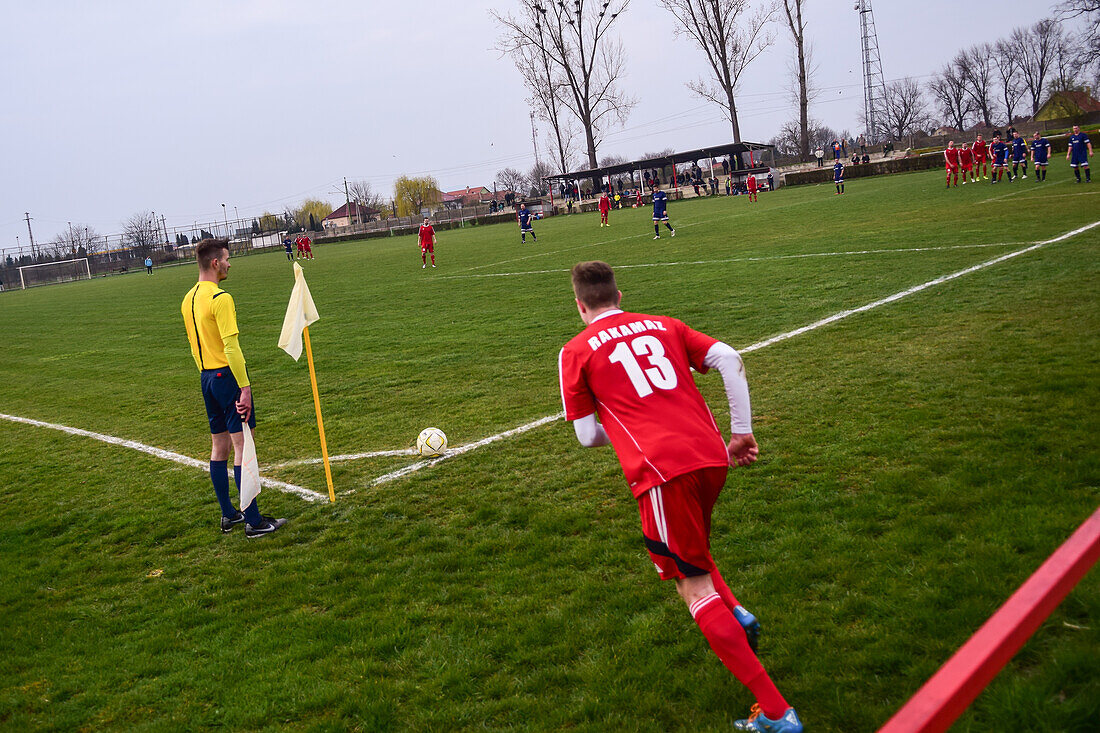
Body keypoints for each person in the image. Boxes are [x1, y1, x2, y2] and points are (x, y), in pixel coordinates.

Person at [558, 261, 803, 733]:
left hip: (662, 472)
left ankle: (776, 713)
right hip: (711, 456)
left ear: (579, 305)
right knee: (693, 551)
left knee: (690, 585)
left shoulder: (575, 350)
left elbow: (587, 436)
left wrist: (638, 430)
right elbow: (729, 359)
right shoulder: (666, 325)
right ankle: (736, 612)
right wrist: (741, 434)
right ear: (619, 294)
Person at [181, 239, 286, 538]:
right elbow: (231, 346)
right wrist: (245, 388)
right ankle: (254, 521)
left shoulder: (188, 299)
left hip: (206, 378)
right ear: (215, 263)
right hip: (227, 378)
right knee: (243, 446)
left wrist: (208, 375)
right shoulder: (220, 298)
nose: (229, 263)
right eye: (227, 259)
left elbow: (192, 347)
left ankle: (230, 514)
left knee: (219, 446)